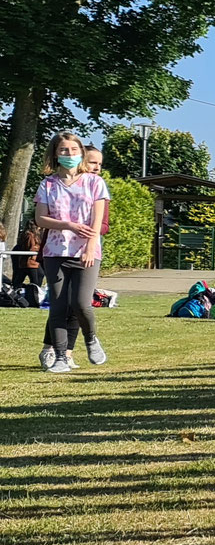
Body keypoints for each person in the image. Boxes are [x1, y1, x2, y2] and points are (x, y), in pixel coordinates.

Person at [34, 132, 109, 372]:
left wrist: (89, 247)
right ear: (55, 153)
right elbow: (40, 219)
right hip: (55, 252)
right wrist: (67, 224)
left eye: (73, 150)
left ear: (81, 153)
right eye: (63, 150)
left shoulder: (94, 183)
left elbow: (98, 220)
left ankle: (91, 339)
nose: (69, 154)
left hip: (86, 252)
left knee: (80, 304)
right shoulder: (47, 184)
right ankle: (60, 357)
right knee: (57, 307)